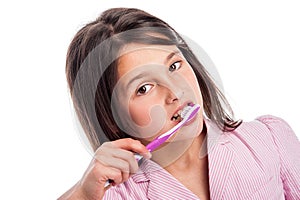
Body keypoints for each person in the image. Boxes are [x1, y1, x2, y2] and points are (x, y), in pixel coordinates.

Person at [59, 7, 300, 200]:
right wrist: (83, 195)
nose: (175, 91)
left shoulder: (269, 139)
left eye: (174, 66)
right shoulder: (115, 195)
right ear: (111, 118)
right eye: (144, 88)